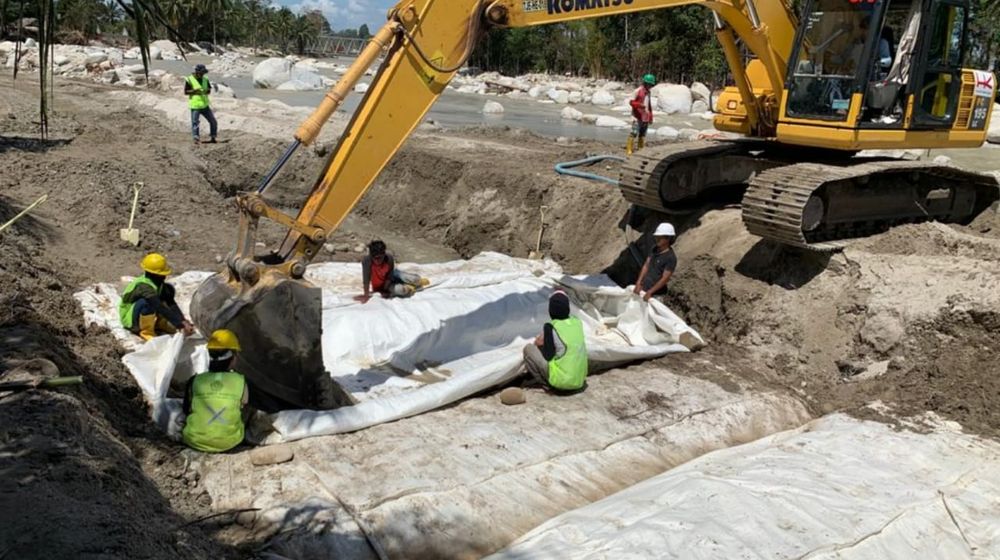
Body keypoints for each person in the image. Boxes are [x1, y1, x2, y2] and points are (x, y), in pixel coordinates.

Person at [182, 329, 250, 453]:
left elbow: (186, 410)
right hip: (230, 442)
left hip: (194, 440)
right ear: (234, 357)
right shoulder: (241, 381)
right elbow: (244, 407)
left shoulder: (195, 380)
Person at [522, 290, 589, 393]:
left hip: (561, 381)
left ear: (551, 310)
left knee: (528, 349)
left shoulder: (551, 326)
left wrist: (539, 343)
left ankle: (546, 383)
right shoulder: (577, 322)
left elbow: (548, 355)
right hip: (579, 381)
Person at [118, 252, 195, 341]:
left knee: (167, 292)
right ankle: (146, 331)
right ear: (153, 274)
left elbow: (171, 303)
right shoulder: (143, 286)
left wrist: (182, 320)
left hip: (144, 313)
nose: (164, 276)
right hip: (131, 320)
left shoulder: (159, 285)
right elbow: (158, 306)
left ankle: (160, 324)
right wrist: (179, 324)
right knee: (147, 303)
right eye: (162, 274)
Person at [358, 240, 429, 302]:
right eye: (375, 258)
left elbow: (389, 276)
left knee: (414, 279)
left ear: (383, 254)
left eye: (379, 258)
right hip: (381, 284)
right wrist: (366, 295)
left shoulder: (389, 258)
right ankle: (409, 287)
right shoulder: (367, 261)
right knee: (401, 290)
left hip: (391, 277)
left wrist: (385, 289)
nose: (377, 260)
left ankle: (418, 281)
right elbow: (366, 280)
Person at [634, 222, 677, 302]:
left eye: (659, 237)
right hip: (645, 289)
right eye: (656, 237)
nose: (656, 239)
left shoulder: (670, 258)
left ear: (668, 238)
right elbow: (646, 265)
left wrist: (651, 292)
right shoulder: (654, 249)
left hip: (656, 295)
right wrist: (639, 283)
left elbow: (665, 278)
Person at [185, 63, 218, 144]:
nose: (203, 74)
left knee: (213, 121)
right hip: (195, 105)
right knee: (195, 122)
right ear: (197, 72)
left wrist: (206, 91)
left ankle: (213, 137)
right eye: (201, 73)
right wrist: (195, 91)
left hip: (205, 105)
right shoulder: (189, 79)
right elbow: (186, 91)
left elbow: (209, 90)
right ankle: (196, 138)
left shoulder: (205, 79)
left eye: (204, 73)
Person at [627, 74, 656, 155]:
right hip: (637, 116)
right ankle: (629, 150)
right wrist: (640, 105)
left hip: (645, 117)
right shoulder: (638, 91)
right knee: (634, 133)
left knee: (642, 134)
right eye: (649, 84)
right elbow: (631, 102)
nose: (650, 86)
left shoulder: (648, 93)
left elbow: (649, 105)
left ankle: (640, 149)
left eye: (651, 85)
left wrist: (650, 117)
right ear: (645, 83)